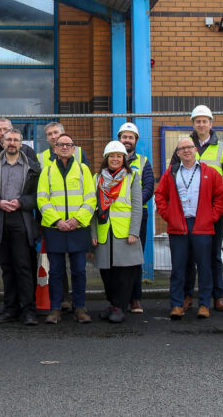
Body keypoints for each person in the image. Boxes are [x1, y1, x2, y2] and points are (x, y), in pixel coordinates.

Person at [171, 105, 223, 312]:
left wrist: (222, 208)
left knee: (214, 254)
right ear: (193, 124)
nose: (201, 124)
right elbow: (172, 173)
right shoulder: (184, 145)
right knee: (188, 256)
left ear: (211, 123)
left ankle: (217, 296)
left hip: (214, 211)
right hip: (188, 212)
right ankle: (187, 295)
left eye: (204, 120)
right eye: (197, 121)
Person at [156, 136, 223, 320]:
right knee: (178, 268)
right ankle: (177, 305)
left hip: (201, 225)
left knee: (204, 267)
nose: (186, 151)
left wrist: (211, 217)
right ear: (177, 153)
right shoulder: (171, 172)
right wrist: (168, 215)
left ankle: (204, 304)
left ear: (196, 150)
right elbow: (160, 196)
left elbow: (220, 197)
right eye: (182, 149)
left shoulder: (210, 173)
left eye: (189, 147)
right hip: (178, 225)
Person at [0, 128, 41, 326]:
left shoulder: (32, 167)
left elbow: (38, 197)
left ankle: (29, 310)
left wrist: (21, 202)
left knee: (23, 267)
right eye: (9, 140)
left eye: (16, 140)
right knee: (7, 269)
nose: (12, 143)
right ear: (3, 143)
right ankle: (10, 309)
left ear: (21, 143)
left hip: (21, 221)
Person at [37, 132, 96, 324]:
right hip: (55, 229)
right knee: (56, 271)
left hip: (78, 228)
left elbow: (90, 198)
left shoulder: (83, 170)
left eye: (68, 145)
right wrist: (57, 221)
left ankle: (80, 307)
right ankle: (55, 309)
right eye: (60, 145)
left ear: (73, 149)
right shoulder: (46, 171)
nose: (64, 147)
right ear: (54, 149)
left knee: (79, 270)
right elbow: (42, 199)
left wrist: (77, 220)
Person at [92, 141, 143, 323]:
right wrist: (93, 234)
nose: (115, 159)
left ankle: (120, 307)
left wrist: (134, 232)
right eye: (112, 156)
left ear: (124, 159)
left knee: (125, 274)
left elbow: (137, 207)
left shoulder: (132, 177)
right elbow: (93, 208)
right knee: (107, 273)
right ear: (106, 158)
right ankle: (113, 304)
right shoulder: (97, 178)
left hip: (124, 233)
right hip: (104, 231)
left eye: (119, 156)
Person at [117, 121, 155, 314]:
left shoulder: (143, 161)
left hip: (138, 215)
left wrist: (135, 205)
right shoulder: (112, 159)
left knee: (135, 256)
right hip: (116, 217)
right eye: (124, 137)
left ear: (136, 140)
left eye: (131, 137)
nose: (127, 140)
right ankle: (119, 298)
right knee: (117, 256)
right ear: (119, 139)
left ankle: (135, 298)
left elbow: (149, 186)